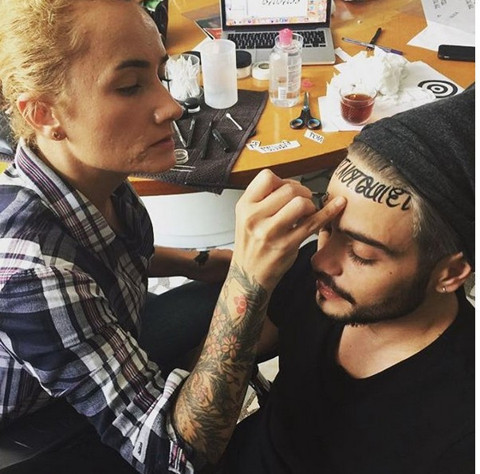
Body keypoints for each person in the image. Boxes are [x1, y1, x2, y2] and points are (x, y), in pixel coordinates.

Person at [0, 1, 345, 473]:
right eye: (129, 86)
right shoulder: (30, 271)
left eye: (160, 75)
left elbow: (108, 251)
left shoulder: (90, 172)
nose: (172, 106)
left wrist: (203, 261)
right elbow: (174, 458)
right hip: (43, 423)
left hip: (113, 326)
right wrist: (247, 279)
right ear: (44, 113)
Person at [218, 84, 475, 474]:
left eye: (362, 254)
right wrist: (241, 274)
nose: (320, 259)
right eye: (326, 225)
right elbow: (232, 356)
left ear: (450, 273)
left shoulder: (461, 427)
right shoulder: (322, 277)